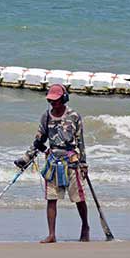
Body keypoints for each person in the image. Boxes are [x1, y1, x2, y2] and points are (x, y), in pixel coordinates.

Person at [15, 84, 89, 243]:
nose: (53, 104)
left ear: (64, 98)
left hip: (72, 161)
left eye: (56, 100)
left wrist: (83, 164)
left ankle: (85, 226)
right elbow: (38, 141)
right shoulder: (46, 116)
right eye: (50, 101)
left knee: (79, 198)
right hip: (53, 162)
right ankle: (52, 234)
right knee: (51, 198)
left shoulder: (74, 116)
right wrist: (26, 158)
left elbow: (80, 142)